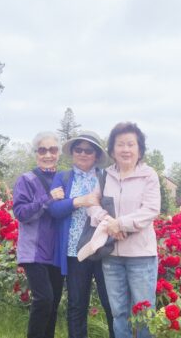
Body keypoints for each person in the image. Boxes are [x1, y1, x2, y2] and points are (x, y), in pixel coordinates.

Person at [87, 122, 161, 338]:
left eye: (131, 144)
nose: (126, 149)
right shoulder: (104, 176)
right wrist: (108, 221)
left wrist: (119, 224)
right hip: (111, 255)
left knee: (145, 313)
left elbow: (150, 210)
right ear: (112, 150)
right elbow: (92, 204)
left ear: (140, 149)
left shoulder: (149, 175)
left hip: (141, 256)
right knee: (118, 313)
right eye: (120, 144)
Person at [49, 131, 115, 338]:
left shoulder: (107, 177)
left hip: (104, 249)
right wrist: (78, 201)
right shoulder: (62, 177)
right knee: (77, 305)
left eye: (89, 150)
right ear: (73, 152)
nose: (83, 154)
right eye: (79, 149)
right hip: (75, 251)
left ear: (96, 155)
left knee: (111, 303)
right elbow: (54, 210)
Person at [13, 131, 65, 338]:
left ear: (58, 153)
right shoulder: (26, 179)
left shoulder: (63, 179)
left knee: (52, 304)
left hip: (56, 252)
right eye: (42, 150)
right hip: (33, 252)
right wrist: (48, 198)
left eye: (52, 149)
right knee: (43, 299)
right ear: (36, 153)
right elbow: (21, 213)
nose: (48, 154)